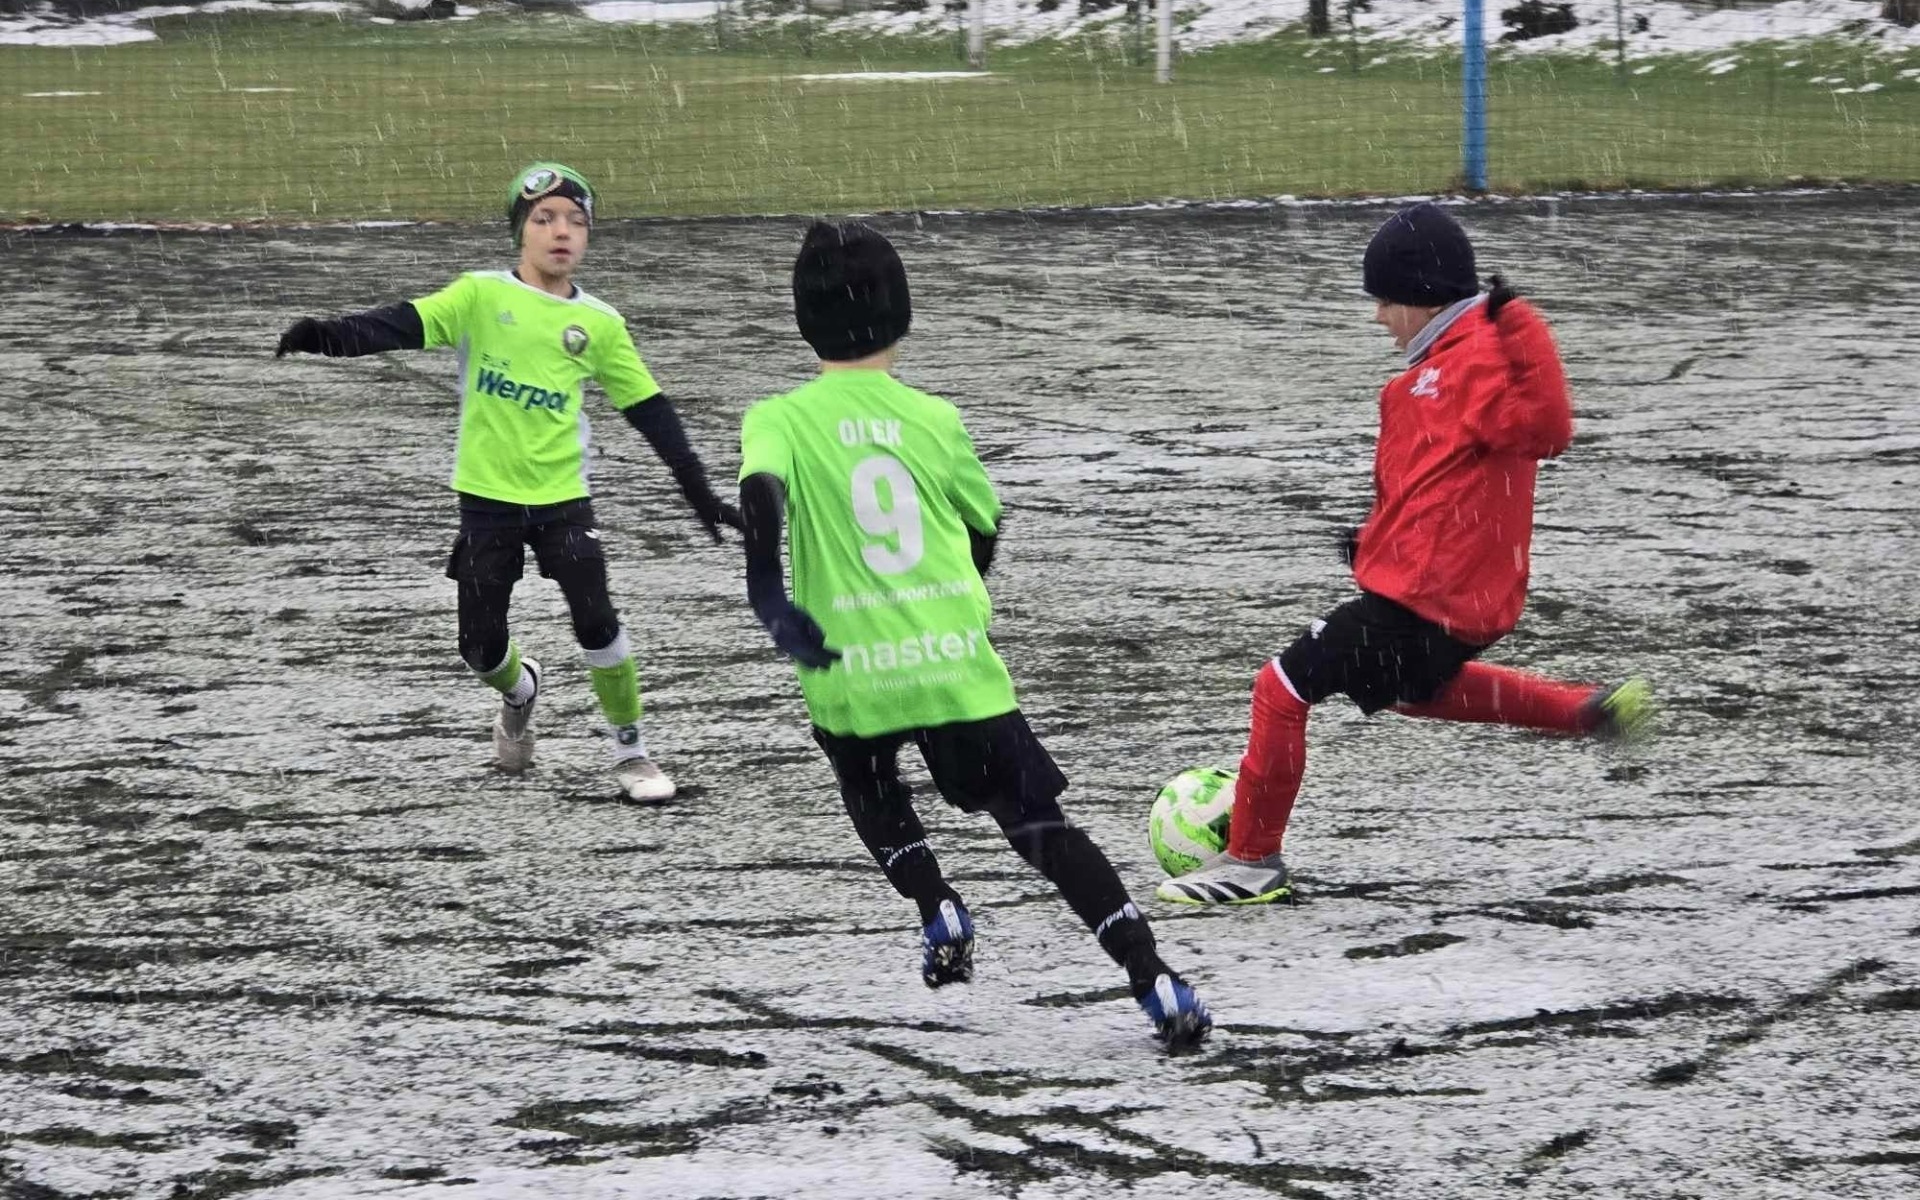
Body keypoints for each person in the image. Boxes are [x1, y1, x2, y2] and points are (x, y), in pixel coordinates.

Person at [737, 221, 1210, 1048]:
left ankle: (937, 905)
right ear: (902, 318)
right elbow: (983, 526)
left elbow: (763, 495)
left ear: (803, 321)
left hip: (852, 664)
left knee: (869, 778)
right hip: (953, 664)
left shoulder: (778, 417)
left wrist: (772, 594)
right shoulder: (934, 420)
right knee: (1039, 826)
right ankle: (1153, 977)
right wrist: (946, 604)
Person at [1158, 202, 1654, 906]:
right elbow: (1432, 478)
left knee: (1281, 687)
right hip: (1442, 595)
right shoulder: (1435, 370)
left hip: (1426, 599)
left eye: (1385, 300)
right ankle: (1586, 712)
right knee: (1417, 691)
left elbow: (1546, 430)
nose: (1378, 317)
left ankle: (1249, 860)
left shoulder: (1477, 355)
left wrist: (1520, 324)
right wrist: (1375, 538)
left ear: (1423, 298)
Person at [272, 162, 741, 802]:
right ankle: (522, 691)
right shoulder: (481, 297)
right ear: (520, 230)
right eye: (545, 219)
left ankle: (632, 754)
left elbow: (651, 412)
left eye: (576, 221)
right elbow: (400, 323)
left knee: (595, 616)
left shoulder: (599, 325)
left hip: (563, 503)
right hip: (487, 506)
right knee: (480, 647)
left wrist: (701, 494)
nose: (561, 233)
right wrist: (324, 336)